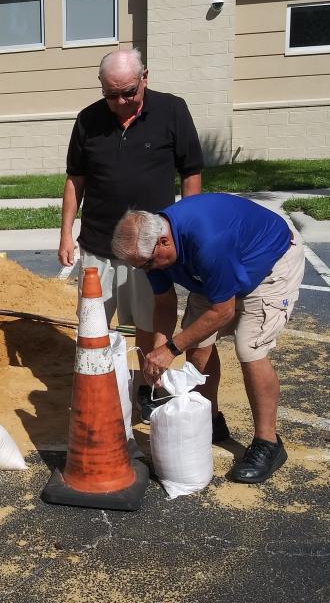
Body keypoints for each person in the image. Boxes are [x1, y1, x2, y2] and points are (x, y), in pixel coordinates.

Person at [111, 193, 306, 483]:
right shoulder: (153, 253)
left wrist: (171, 348)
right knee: (197, 345)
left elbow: (223, 311)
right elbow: (164, 303)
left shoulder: (208, 241)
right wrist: (157, 352)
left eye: (146, 265)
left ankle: (268, 443)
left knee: (249, 348)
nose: (146, 271)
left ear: (164, 243)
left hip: (270, 265)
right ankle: (211, 420)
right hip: (215, 272)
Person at [59, 48, 203, 423]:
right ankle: (97, 386)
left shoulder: (172, 111)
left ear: (145, 78)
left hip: (148, 249)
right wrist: (65, 234)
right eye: (111, 95)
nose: (120, 102)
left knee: (146, 320)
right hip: (97, 244)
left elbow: (191, 173)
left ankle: (146, 387)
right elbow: (76, 179)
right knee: (93, 321)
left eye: (128, 93)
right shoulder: (88, 120)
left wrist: (188, 227)